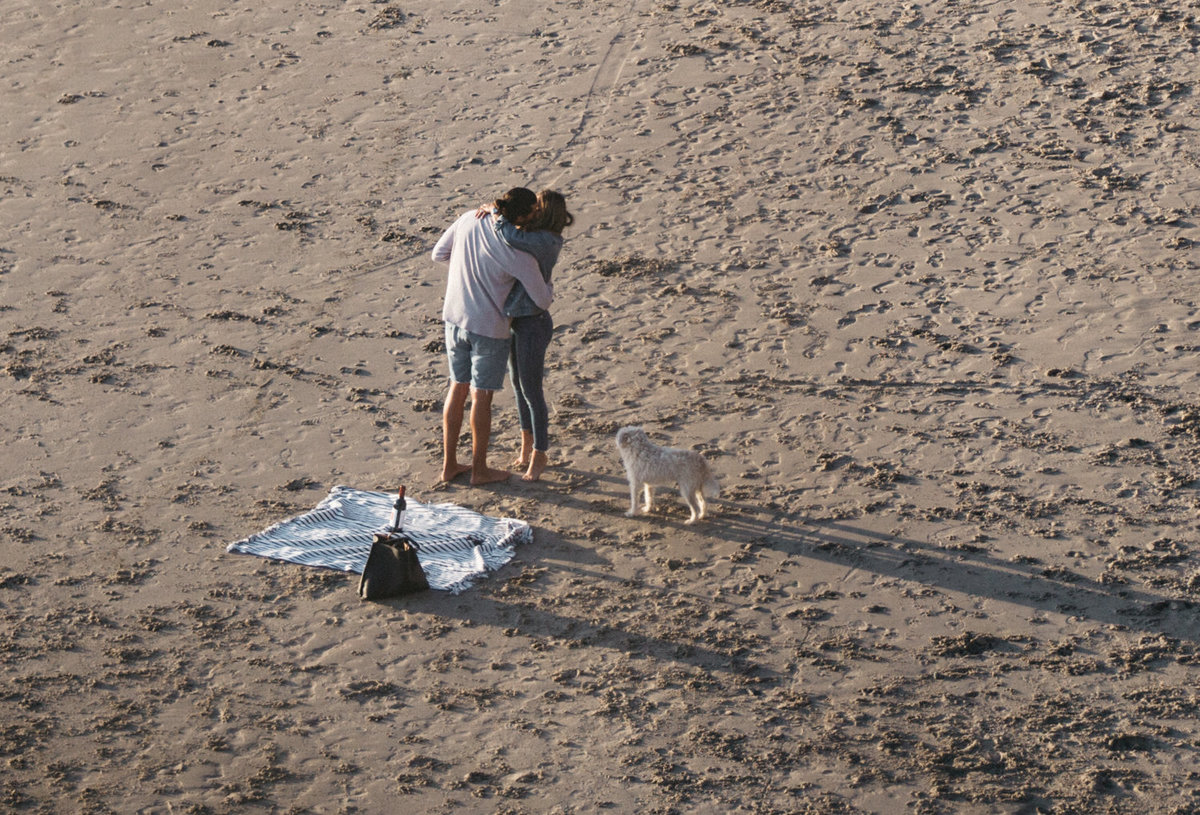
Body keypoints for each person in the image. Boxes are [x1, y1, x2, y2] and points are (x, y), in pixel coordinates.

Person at [431, 188, 553, 485]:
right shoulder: (516, 251)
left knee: (456, 388)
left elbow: (439, 254)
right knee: (480, 396)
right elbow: (542, 298)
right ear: (522, 217)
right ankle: (480, 470)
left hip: (454, 317)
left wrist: (466, 272)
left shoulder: (468, 218)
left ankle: (449, 465)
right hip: (488, 327)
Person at [489, 190, 573, 481]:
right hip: (518, 320)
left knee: (532, 391)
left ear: (546, 213)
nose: (533, 211)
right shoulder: (538, 237)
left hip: (533, 323)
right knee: (517, 386)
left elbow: (511, 236)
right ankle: (527, 443)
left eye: (538, 207)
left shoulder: (546, 241)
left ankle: (540, 453)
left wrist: (496, 214)